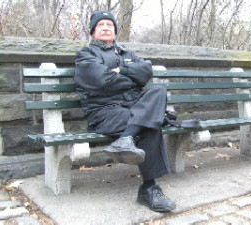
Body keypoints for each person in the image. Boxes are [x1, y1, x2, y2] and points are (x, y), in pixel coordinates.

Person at [74, 10, 176, 212]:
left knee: (158, 91)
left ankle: (125, 139)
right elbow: (102, 81)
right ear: (93, 31)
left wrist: (122, 70)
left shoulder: (126, 52)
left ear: (115, 31)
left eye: (109, 25)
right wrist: (131, 78)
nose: (105, 28)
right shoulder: (86, 55)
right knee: (149, 124)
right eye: (100, 25)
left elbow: (146, 71)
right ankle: (149, 189)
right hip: (104, 112)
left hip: (132, 108)